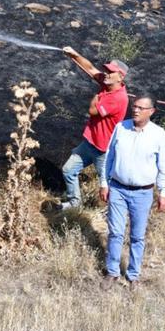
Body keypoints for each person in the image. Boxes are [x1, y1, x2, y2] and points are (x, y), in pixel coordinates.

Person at [99, 93, 165, 290]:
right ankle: (112, 272)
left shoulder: (158, 134)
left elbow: (163, 166)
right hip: (118, 189)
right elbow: (109, 157)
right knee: (115, 232)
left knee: (137, 236)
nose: (136, 110)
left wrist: (163, 193)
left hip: (143, 193)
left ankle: (133, 275)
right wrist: (104, 183)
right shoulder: (121, 128)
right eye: (135, 106)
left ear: (151, 111)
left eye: (141, 107)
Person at [58, 46, 129, 210]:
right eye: (106, 70)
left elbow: (92, 111)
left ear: (120, 77)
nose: (106, 74)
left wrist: (97, 96)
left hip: (103, 150)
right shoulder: (108, 84)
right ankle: (74, 203)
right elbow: (90, 69)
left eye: (111, 72)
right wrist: (74, 55)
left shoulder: (117, 99)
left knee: (108, 185)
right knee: (68, 170)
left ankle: (116, 210)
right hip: (90, 143)